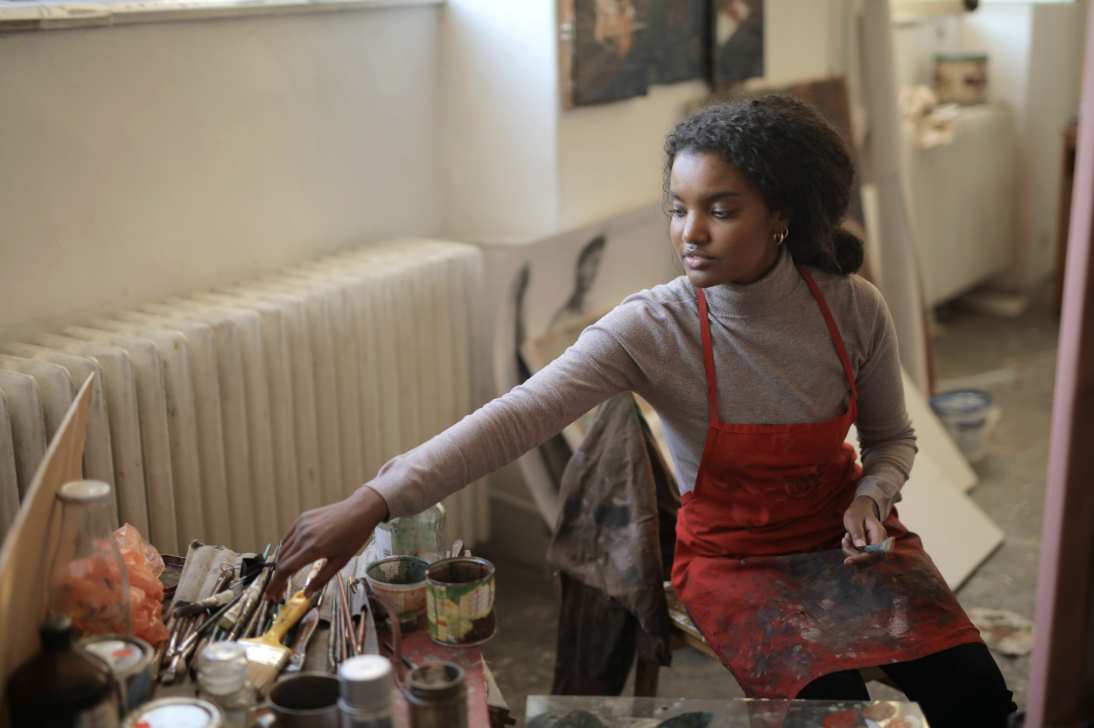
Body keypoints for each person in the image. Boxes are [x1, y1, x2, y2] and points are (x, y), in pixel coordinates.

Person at [266, 95, 1016, 727]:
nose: (690, 233)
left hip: (844, 543)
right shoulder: (652, 329)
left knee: (979, 698)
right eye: (678, 209)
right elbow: (515, 416)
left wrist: (870, 496)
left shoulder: (854, 309)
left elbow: (891, 438)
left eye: (720, 210)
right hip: (735, 563)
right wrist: (372, 501)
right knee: (832, 713)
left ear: (781, 214)